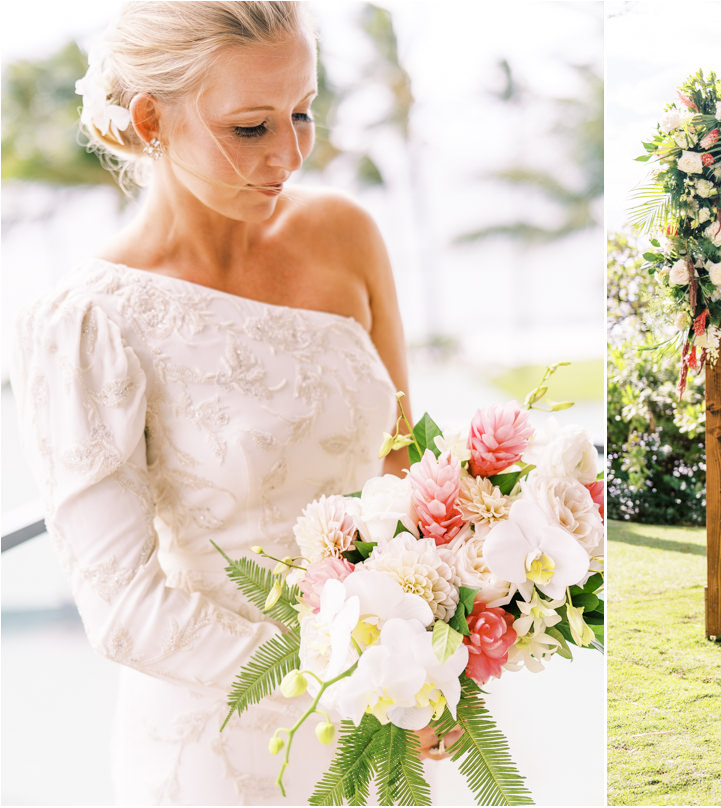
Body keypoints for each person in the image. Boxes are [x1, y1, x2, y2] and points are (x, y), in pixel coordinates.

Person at [9, 2, 440, 803]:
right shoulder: (88, 321)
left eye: (302, 113)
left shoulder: (346, 235)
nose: (289, 154)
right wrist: (352, 673)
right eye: (251, 128)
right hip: (222, 748)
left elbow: (399, 457)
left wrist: (437, 638)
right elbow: (127, 610)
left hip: (386, 717)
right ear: (150, 120)